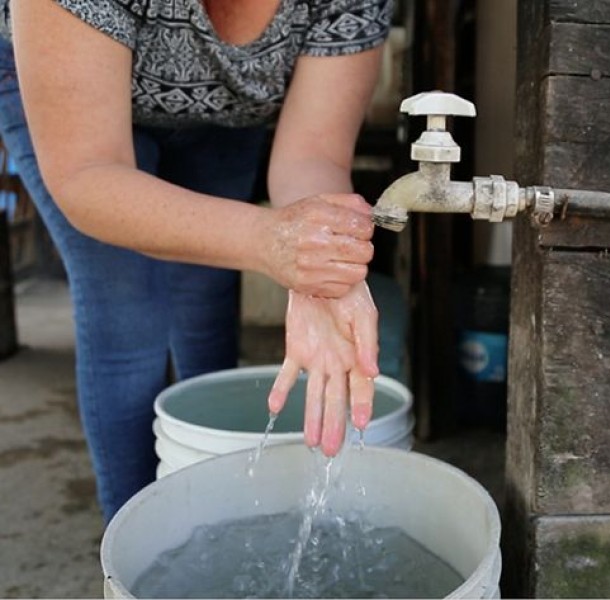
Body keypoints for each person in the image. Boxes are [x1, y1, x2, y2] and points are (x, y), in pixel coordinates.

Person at [0, 0, 392, 522]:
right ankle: (137, 548)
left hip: (224, 113)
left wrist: (325, 264)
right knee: (124, 305)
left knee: (206, 292)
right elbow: (90, 173)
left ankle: (218, 511)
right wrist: (267, 238)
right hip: (72, 94)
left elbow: (311, 156)